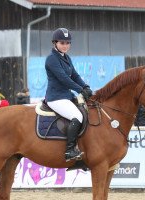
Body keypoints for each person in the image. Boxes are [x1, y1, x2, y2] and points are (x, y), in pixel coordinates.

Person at [44, 28, 93, 162]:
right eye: (62, 43)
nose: (65, 46)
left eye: (67, 43)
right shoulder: (51, 59)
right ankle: (70, 150)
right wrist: (80, 90)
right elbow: (64, 78)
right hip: (56, 98)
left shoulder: (66, 57)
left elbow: (75, 75)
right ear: (55, 43)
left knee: (88, 112)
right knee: (77, 116)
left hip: (66, 95)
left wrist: (85, 86)